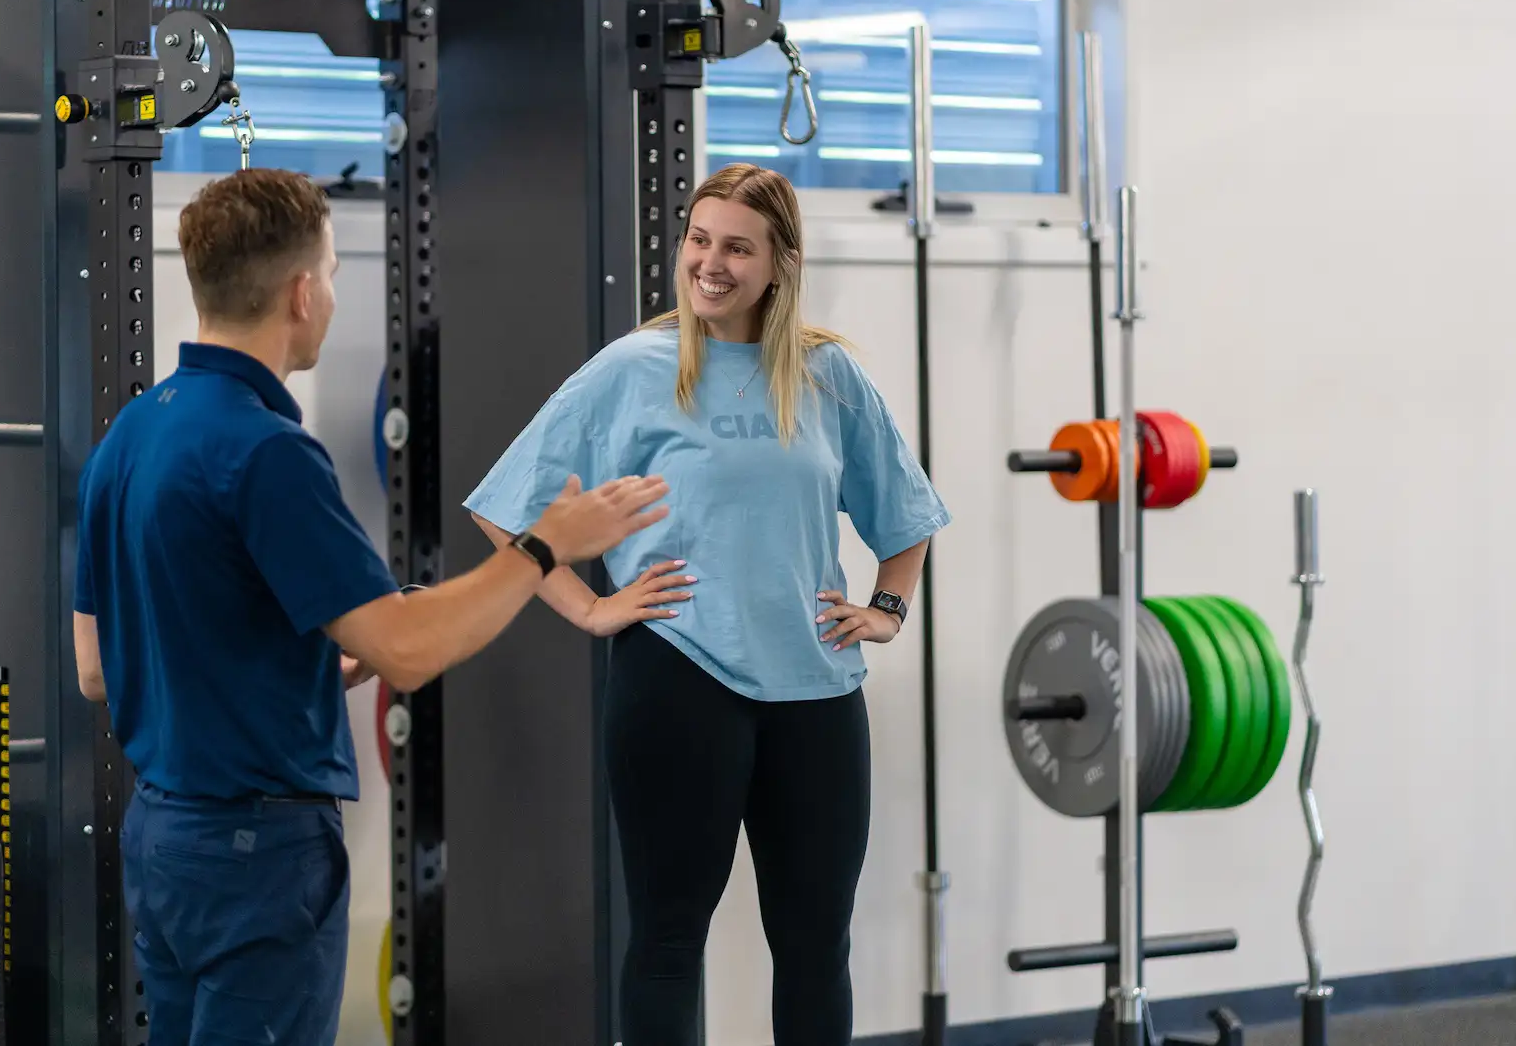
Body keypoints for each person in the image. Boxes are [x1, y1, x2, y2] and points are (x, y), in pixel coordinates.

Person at [70, 168, 668, 1046]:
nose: (336, 298)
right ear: (302, 292)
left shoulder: (131, 433)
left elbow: (99, 670)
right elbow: (411, 651)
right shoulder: (267, 454)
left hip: (164, 842)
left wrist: (313, 668)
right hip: (258, 857)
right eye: (337, 275)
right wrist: (547, 543)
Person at [466, 162, 950, 1046]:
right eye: (698, 239)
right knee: (666, 940)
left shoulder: (827, 376)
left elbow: (906, 513)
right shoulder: (631, 369)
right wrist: (589, 610)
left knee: (814, 946)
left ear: (780, 264)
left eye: (737, 246)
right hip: (679, 680)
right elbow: (508, 509)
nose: (710, 263)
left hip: (817, 692)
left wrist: (887, 606)